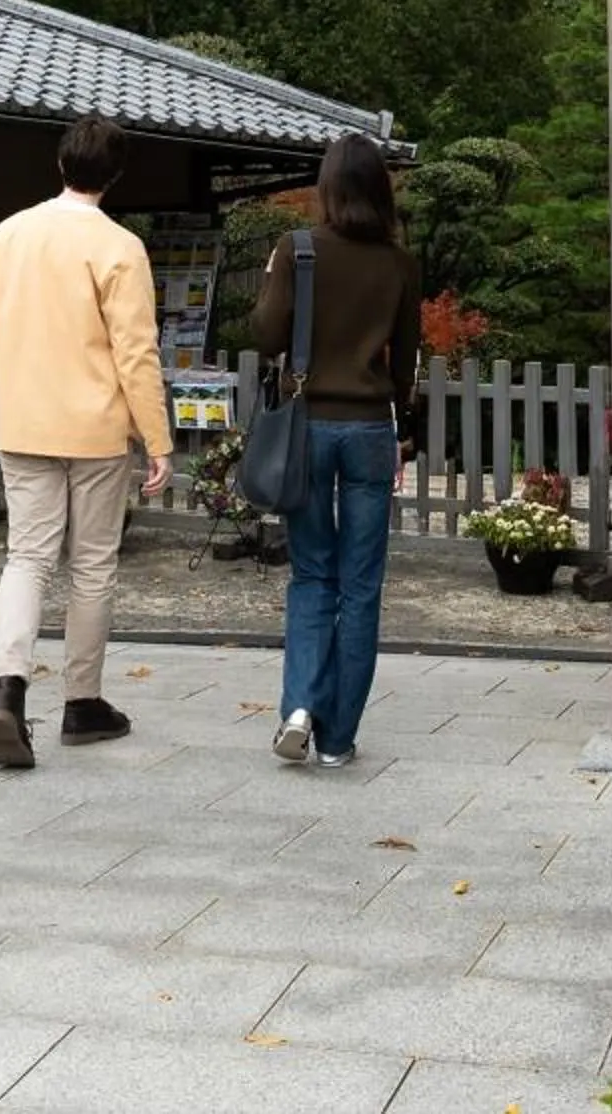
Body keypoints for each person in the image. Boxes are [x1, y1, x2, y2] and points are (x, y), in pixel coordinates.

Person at [0, 114, 174, 770]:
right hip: (97, 428)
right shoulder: (120, 247)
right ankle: (82, 702)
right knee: (92, 565)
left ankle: (8, 689)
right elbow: (135, 351)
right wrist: (157, 438)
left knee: (27, 556)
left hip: (23, 421)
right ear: (113, 177)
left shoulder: (9, 235)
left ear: (60, 166)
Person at [251, 130, 423, 768]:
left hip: (307, 427)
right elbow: (405, 358)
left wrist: (278, 279)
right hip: (371, 430)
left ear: (326, 189)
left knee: (312, 574)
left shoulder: (297, 251)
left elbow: (266, 334)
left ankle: (299, 705)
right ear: (380, 191)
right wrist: (404, 425)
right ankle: (338, 738)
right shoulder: (399, 263)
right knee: (361, 584)